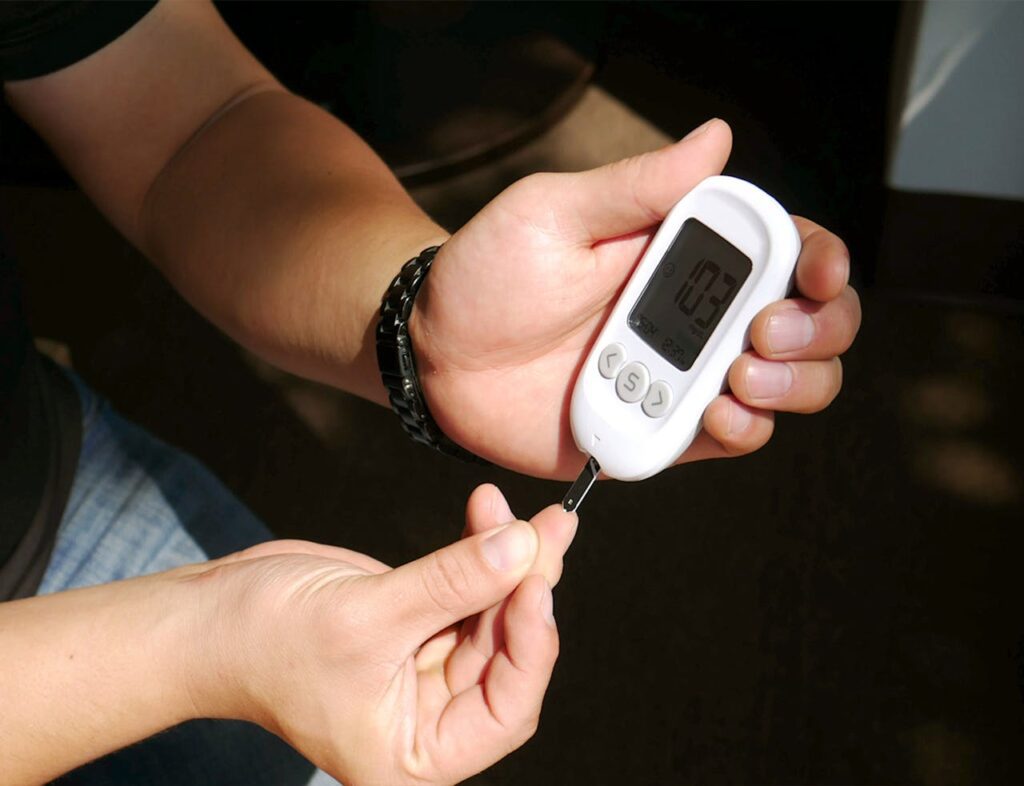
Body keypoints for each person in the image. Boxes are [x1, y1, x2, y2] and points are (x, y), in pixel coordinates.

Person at [0, 2, 862, 784]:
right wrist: (208, 643)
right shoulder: (215, 630)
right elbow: (218, 644)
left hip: (44, 483)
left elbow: (186, 122)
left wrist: (421, 328)